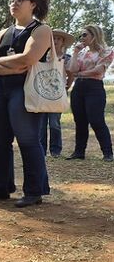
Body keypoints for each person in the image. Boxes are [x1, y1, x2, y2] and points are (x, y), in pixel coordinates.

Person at [0, 0, 52, 207]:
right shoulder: (2, 33)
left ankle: (34, 192)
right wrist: (10, 67)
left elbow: (29, 59)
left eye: (20, 0)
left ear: (34, 4)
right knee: (0, 142)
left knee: (28, 140)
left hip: (24, 90)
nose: (14, 3)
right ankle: (0, 189)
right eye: (12, 0)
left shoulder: (41, 30)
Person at [66, 24, 114, 161]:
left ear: (94, 35)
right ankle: (79, 152)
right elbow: (72, 69)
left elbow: (98, 70)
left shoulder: (106, 51)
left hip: (94, 88)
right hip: (79, 88)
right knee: (80, 120)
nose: (82, 38)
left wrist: (79, 74)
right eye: (81, 35)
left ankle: (108, 152)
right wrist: (75, 53)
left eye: (85, 35)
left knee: (96, 119)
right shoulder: (81, 52)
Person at [39, 29, 74, 158]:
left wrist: (67, 86)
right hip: (43, 93)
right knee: (41, 123)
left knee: (54, 123)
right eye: (54, 38)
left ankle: (55, 150)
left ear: (63, 42)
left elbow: (71, 73)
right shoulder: (43, 56)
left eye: (59, 39)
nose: (56, 41)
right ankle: (41, 150)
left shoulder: (67, 58)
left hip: (57, 95)